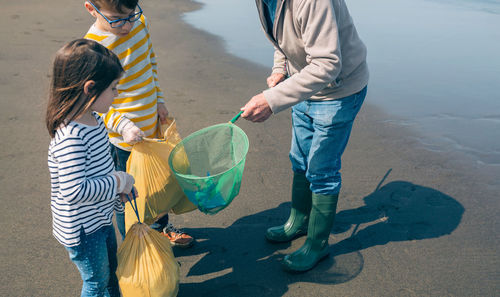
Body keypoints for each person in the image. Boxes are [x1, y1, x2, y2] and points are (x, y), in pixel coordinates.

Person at [241, 0, 369, 272]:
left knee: (322, 171)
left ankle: (317, 244)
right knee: (299, 159)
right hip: (302, 85)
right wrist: (280, 69)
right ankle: (298, 221)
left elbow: (327, 64)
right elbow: (283, 38)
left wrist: (272, 100)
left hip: (339, 91)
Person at [83, 0, 193, 247]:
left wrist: (159, 101)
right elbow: (93, 103)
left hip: (152, 123)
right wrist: (122, 126)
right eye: (117, 19)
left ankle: (161, 229)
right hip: (123, 138)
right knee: (130, 194)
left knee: (159, 184)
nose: (127, 26)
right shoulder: (93, 49)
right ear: (92, 9)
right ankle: (136, 241)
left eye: (131, 15)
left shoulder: (138, 26)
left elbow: (150, 63)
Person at [46, 39, 137, 297]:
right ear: (90, 88)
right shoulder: (72, 137)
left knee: (110, 272)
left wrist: (116, 190)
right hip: (83, 230)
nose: (116, 94)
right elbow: (74, 190)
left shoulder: (93, 118)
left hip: (99, 218)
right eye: (112, 88)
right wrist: (118, 182)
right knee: (96, 281)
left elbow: (98, 172)